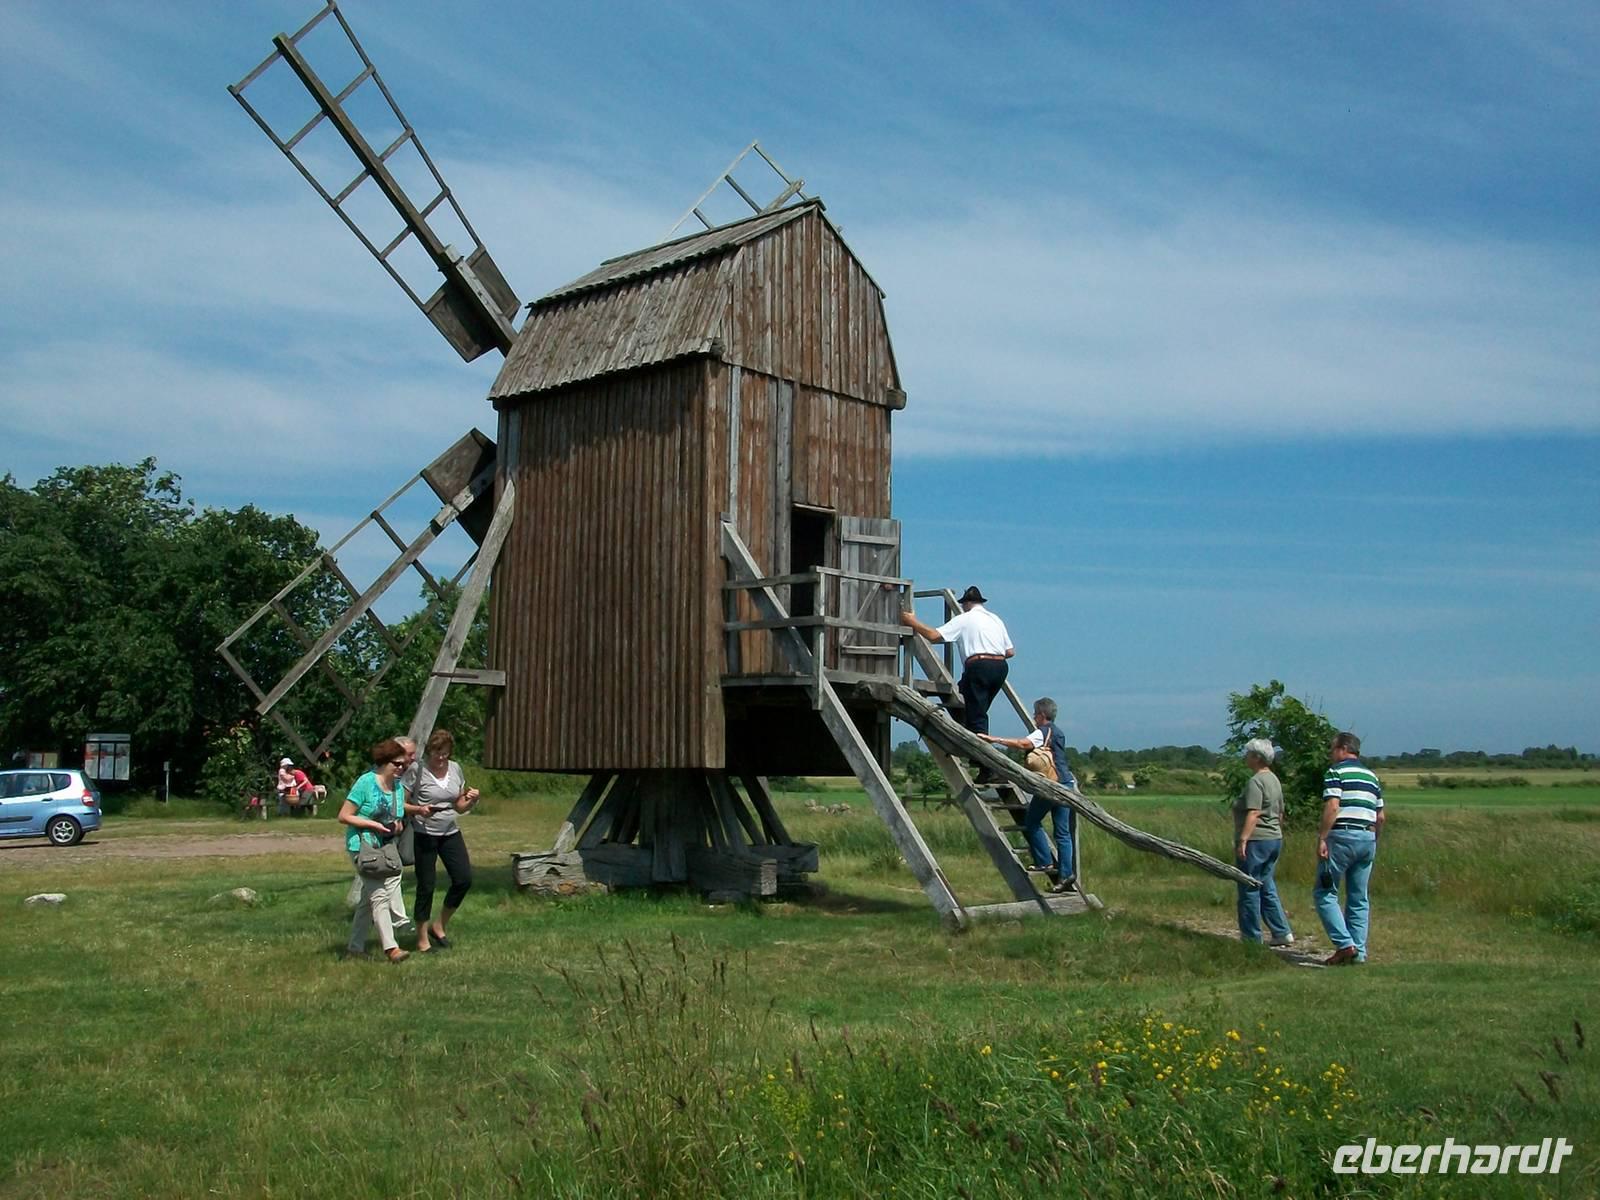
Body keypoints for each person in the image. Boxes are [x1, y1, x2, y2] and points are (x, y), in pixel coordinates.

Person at [338, 737, 427, 962]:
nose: (401, 768)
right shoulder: (365, 782)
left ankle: (355, 949)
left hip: (385, 847)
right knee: (379, 895)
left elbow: (395, 817)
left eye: (403, 764)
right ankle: (391, 948)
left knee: (367, 901)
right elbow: (344, 816)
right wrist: (372, 824)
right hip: (362, 846)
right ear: (383, 762)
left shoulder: (397, 788)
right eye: (396, 764)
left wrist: (396, 825)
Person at [982, 696, 1078, 893]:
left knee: (1032, 821)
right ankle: (1066, 875)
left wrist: (995, 739)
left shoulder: (1043, 732)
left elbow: (1022, 743)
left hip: (1050, 786)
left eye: (1036, 714)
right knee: (1063, 834)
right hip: (1066, 784)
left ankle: (1044, 861)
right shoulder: (1058, 733)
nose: (1034, 717)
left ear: (1042, 715)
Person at [899, 585, 1014, 738]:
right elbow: (1010, 651)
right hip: (1000, 667)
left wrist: (911, 621)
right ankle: (969, 733)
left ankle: (977, 754)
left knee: (976, 715)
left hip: (978, 666)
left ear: (966, 604)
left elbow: (933, 635)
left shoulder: (964, 619)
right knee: (971, 701)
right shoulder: (995, 619)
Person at [1314, 731, 1385, 966]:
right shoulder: (1372, 777)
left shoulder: (1336, 772)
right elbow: (1380, 816)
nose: (1331, 753)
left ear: (1343, 749)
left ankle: (1345, 945)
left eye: (1333, 749)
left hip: (1342, 835)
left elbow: (1333, 806)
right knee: (1358, 897)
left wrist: (1322, 837)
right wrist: (1375, 840)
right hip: (1367, 836)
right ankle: (1359, 952)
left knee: (1325, 893)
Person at [408, 729, 480, 953]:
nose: (441, 758)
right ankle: (422, 939)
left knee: (463, 879)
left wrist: (470, 800)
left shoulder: (456, 768)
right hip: (424, 833)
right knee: (426, 886)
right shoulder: (416, 770)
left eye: (445, 754)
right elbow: (400, 803)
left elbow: (458, 805)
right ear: (430, 751)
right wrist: (419, 809)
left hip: (450, 831)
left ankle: (439, 925)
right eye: (437, 753)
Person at [1234, 738, 1293, 946]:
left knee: (1249, 886)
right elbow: (1280, 812)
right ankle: (1282, 931)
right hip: (1274, 839)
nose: (1246, 757)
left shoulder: (1256, 781)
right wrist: (1278, 832)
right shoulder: (1274, 780)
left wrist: (1243, 839)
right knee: (1266, 884)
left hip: (1257, 840)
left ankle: (1251, 938)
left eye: (1248, 754)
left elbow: (1254, 812)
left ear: (1257, 758)